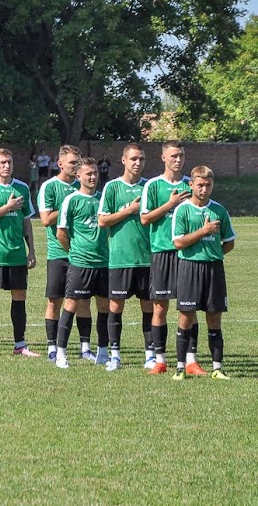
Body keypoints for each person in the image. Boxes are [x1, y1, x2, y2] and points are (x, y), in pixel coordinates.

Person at [141, 141, 203, 375]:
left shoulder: (191, 184)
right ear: (163, 158)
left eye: (181, 155)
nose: (178, 159)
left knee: (189, 308)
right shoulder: (153, 186)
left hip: (187, 254)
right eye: (174, 155)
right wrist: (170, 203)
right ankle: (160, 359)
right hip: (162, 252)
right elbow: (145, 219)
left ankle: (191, 360)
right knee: (160, 308)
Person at [170, 166, 235, 380]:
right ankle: (180, 368)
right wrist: (203, 232)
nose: (204, 189)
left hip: (214, 268)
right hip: (189, 267)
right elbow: (179, 242)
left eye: (208, 184)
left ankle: (217, 368)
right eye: (200, 184)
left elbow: (229, 242)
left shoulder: (219, 210)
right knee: (186, 317)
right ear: (191, 184)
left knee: (214, 318)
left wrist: (213, 254)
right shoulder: (182, 210)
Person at [38, 145, 101, 362]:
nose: (75, 166)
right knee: (55, 300)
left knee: (83, 301)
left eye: (78, 162)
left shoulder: (83, 187)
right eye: (72, 162)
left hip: (83, 255)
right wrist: (69, 206)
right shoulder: (50, 187)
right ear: (60, 163)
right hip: (58, 252)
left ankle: (85, 347)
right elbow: (46, 219)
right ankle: (52, 346)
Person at [0, 148, 39, 357]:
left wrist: (31, 250)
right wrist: (7, 206)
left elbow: (26, 220)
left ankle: (20, 345)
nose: (6, 166)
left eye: (9, 162)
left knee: (19, 297)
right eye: (2, 162)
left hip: (17, 255)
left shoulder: (21, 188)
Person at [98, 143, 154, 370]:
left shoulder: (150, 187)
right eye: (133, 159)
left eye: (141, 159)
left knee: (149, 308)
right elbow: (102, 221)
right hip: (120, 259)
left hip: (147, 259)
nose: (137, 163)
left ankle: (150, 355)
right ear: (123, 160)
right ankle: (115, 355)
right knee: (115, 307)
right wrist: (128, 211)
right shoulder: (111, 188)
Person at [54, 158, 110, 369]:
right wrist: (75, 253)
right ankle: (61, 353)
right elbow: (61, 233)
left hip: (103, 263)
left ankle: (102, 353)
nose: (93, 177)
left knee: (104, 307)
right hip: (80, 263)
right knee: (71, 305)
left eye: (95, 173)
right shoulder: (71, 200)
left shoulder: (103, 199)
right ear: (78, 176)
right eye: (88, 173)